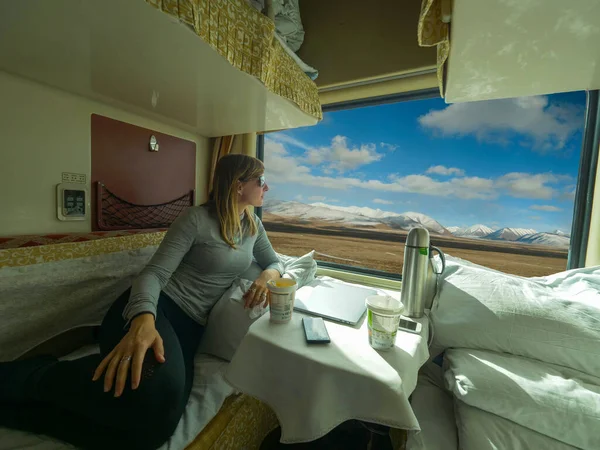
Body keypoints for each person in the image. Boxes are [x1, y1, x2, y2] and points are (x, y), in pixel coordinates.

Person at [0, 154, 283, 449]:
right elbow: (153, 274)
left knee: (154, 431)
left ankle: (21, 416)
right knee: (149, 396)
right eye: (261, 181)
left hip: (189, 327)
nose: (267, 188)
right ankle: (31, 375)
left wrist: (265, 277)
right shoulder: (196, 220)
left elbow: (275, 262)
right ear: (238, 185)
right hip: (152, 308)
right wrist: (144, 320)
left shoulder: (253, 226)